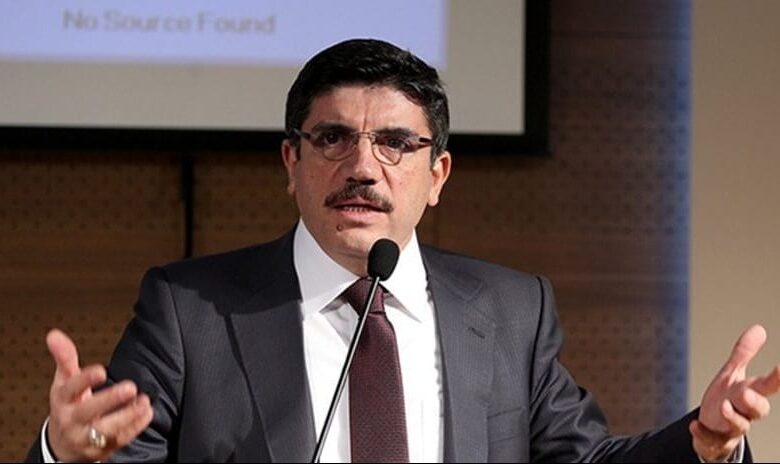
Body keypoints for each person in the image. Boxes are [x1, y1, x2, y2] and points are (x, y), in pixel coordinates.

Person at [26, 38, 779, 463]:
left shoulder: (512, 311)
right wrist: (63, 450)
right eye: (332, 138)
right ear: (291, 163)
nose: (362, 167)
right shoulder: (190, 309)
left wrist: (704, 441)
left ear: (437, 174)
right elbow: (112, 450)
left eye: (394, 143)